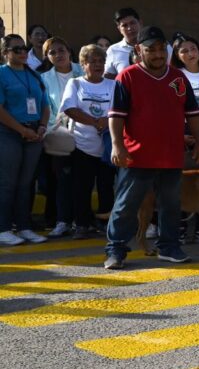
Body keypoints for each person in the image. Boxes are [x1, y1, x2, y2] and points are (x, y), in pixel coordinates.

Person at [104, 26, 199, 268]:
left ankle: (169, 247)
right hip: (136, 155)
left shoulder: (178, 78)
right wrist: (117, 145)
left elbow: (193, 114)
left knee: (171, 205)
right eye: (151, 50)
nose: (158, 54)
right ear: (139, 50)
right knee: (126, 205)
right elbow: (116, 116)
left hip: (171, 154)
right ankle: (116, 250)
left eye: (162, 49)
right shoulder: (127, 77)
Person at [60, 44, 116, 239]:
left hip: (107, 146)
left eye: (101, 61)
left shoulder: (113, 85)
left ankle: (105, 223)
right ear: (83, 64)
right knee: (81, 187)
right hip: (81, 145)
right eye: (93, 61)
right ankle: (82, 224)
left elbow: (119, 110)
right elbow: (69, 108)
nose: (98, 65)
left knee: (106, 186)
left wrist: (106, 122)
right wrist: (95, 121)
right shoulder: (75, 83)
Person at [0, 34, 50, 245]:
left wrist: (42, 126)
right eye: (16, 49)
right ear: (5, 53)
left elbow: (45, 105)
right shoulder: (2, 74)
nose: (23, 52)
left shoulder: (34, 75)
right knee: (7, 182)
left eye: (24, 48)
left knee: (25, 183)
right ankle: (3, 228)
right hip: (9, 133)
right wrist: (21, 129)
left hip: (34, 132)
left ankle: (24, 227)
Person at [40, 36, 84, 237]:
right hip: (58, 135)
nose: (58, 55)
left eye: (61, 50)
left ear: (69, 51)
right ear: (47, 57)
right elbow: (45, 107)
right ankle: (63, 220)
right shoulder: (44, 78)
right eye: (52, 52)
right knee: (62, 180)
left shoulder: (83, 70)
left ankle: (82, 221)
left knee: (82, 179)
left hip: (85, 133)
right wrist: (54, 128)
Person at [105, 8, 171, 79]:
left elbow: (172, 73)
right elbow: (108, 78)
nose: (129, 28)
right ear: (119, 29)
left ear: (140, 23)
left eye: (132, 23)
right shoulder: (113, 50)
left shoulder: (162, 46)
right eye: (124, 25)